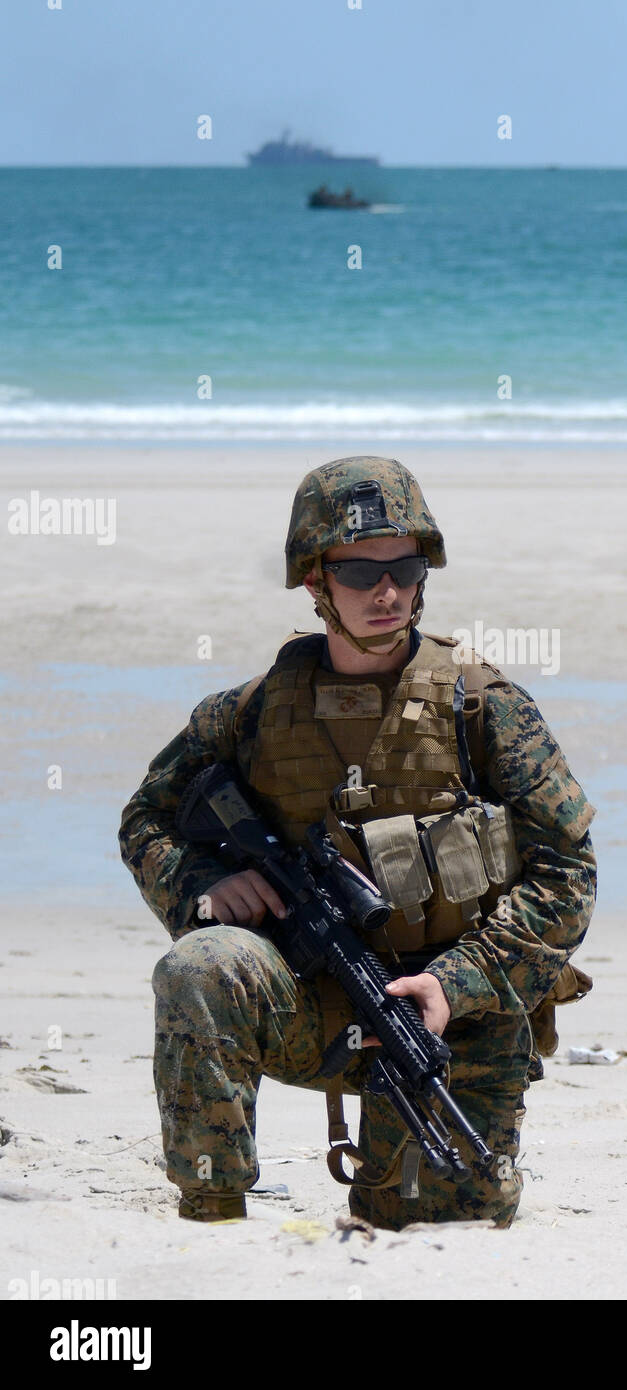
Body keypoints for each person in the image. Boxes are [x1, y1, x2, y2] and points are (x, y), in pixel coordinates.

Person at [119, 456, 596, 1229]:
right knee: (201, 965)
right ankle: (213, 1213)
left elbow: (566, 874)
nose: (387, 593)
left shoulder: (482, 707)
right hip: (310, 1003)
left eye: (405, 570)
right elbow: (147, 819)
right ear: (314, 582)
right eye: (359, 573)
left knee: (440, 1219)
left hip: (450, 1018)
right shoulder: (251, 711)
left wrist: (454, 985)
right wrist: (202, 885)